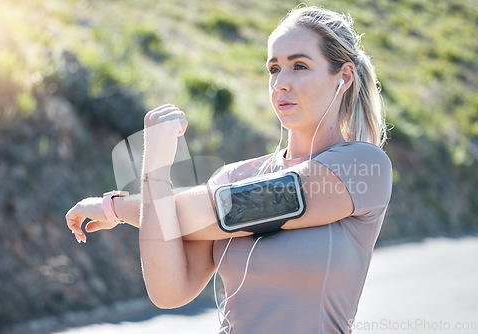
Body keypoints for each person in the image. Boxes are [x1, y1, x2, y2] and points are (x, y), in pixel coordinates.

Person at [65, 5, 392, 333]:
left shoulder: (363, 168)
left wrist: (117, 207)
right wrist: (155, 170)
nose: (280, 83)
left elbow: (235, 210)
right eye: (274, 68)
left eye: (300, 66)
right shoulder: (234, 177)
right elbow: (168, 292)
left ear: (344, 77)